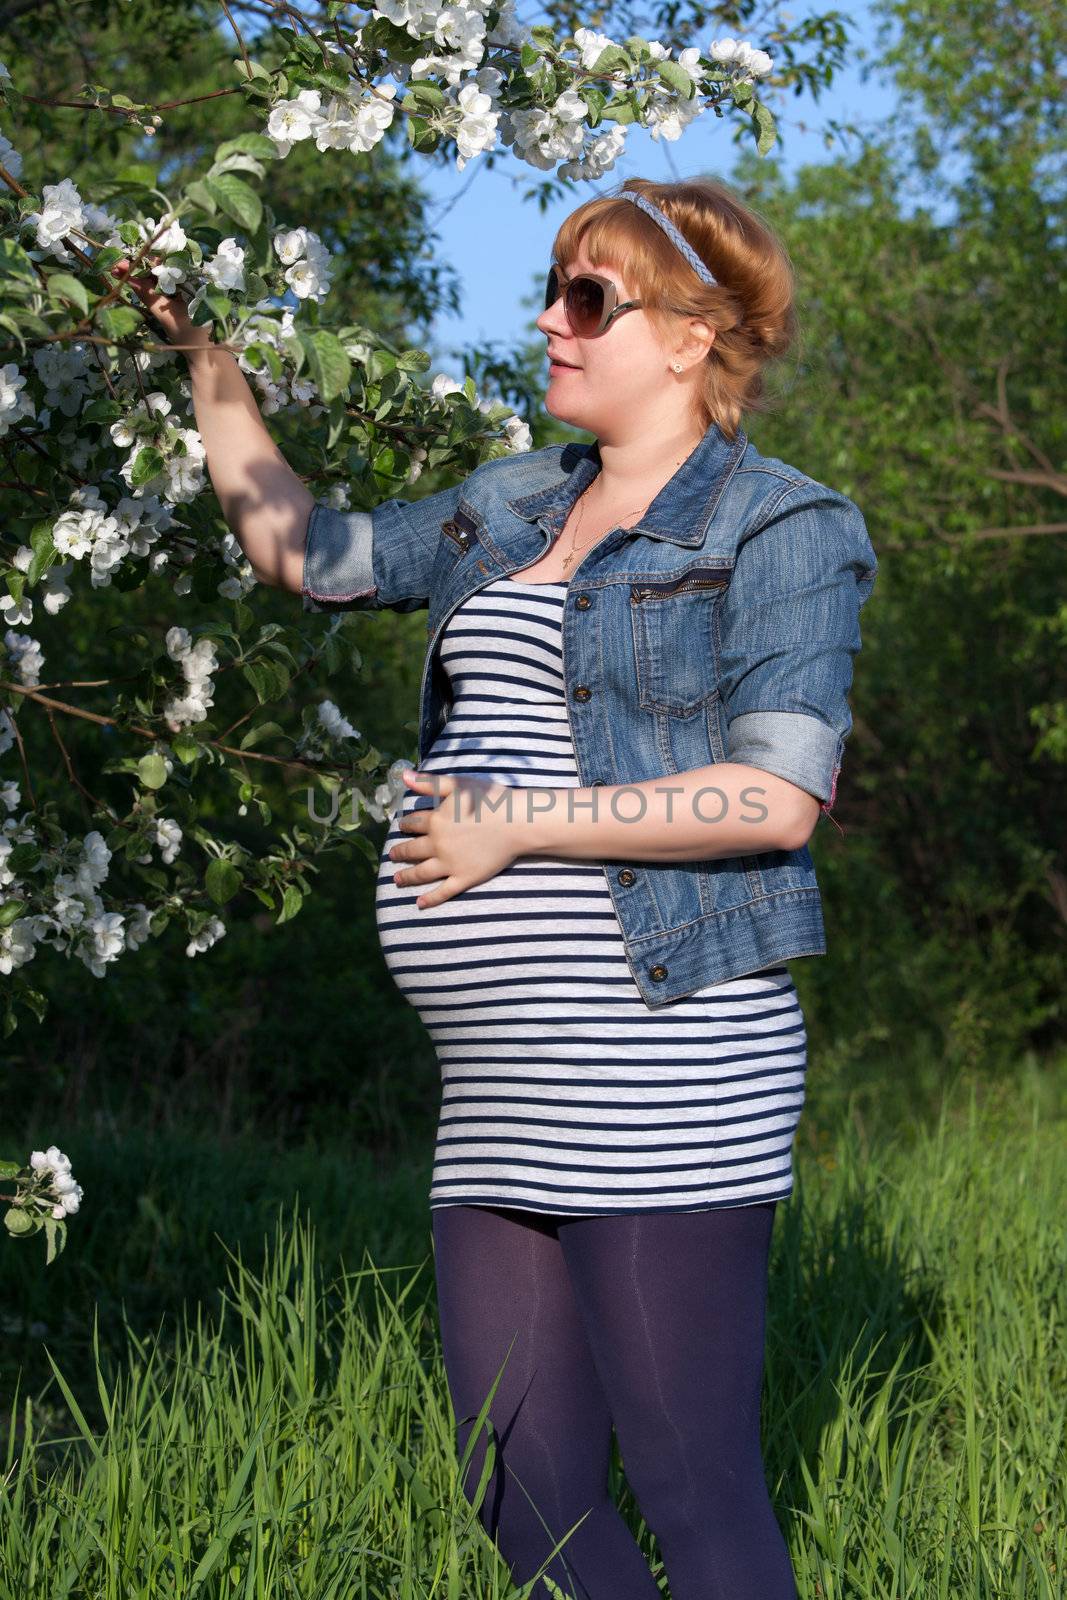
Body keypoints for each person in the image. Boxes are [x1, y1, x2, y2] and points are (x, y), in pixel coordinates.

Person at [115, 175, 877, 1600]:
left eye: (590, 299)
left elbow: (777, 797)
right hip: (500, 1094)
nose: (550, 319)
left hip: (661, 1076)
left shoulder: (783, 529)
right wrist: (204, 370)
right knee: (520, 1492)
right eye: (554, 284)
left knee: (695, 1498)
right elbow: (308, 549)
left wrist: (515, 823)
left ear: (692, 336)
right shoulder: (513, 501)